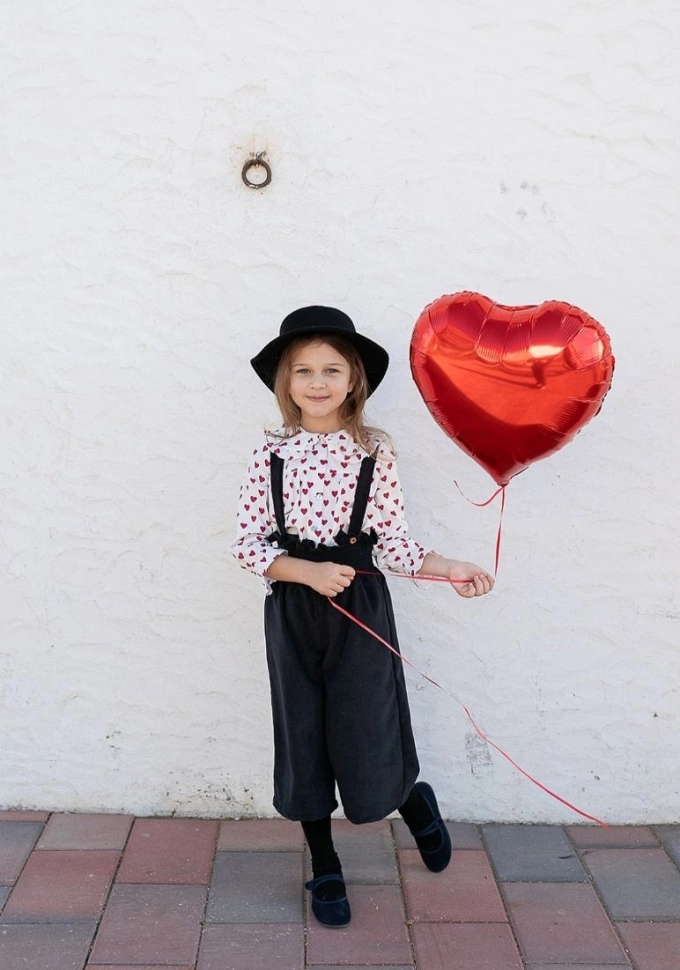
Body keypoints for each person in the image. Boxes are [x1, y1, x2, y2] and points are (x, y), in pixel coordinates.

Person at [231, 305, 494, 927]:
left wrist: (451, 567)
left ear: (353, 381)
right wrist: (308, 573)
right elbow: (248, 546)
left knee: (367, 725)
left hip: (360, 607)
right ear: (285, 383)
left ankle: (411, 799)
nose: (317, 383)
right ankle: (323, 861)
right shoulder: (270, 455)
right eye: (303, 371)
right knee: (304, 734)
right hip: (296, 608)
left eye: (331, 370)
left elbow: (395, 544)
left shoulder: (373, 453)